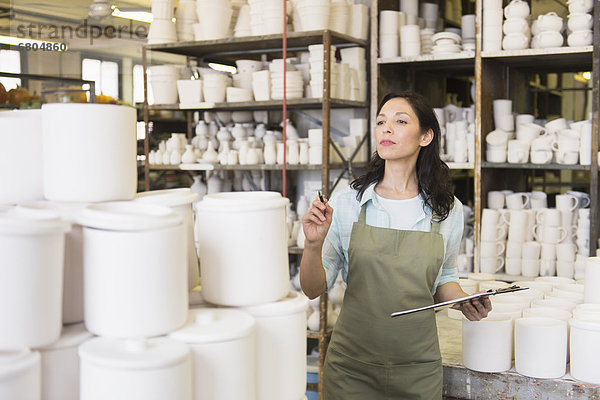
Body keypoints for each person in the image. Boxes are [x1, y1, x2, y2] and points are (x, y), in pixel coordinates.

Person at [300, 91, 492, 399]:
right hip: (352, 369)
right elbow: (312, 289)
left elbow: (445, 278)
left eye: (400, 121)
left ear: (426, 136)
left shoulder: (446, 209)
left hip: (417, 369)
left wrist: (462, 300)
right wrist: (312, 245)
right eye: (381, 122)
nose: (386, 129)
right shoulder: (349, 202)